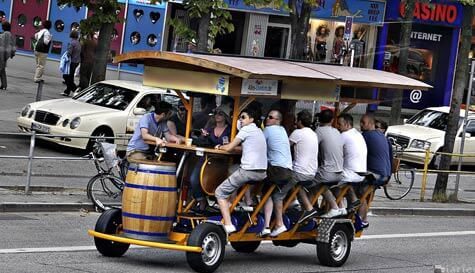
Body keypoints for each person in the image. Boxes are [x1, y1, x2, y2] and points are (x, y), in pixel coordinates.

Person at [215, 108, 267, 234]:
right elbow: (243, 149)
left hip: (248, 171)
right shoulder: (259, 131)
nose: (240, 120)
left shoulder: (246, 130)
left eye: (243, 117)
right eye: (239, 118)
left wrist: (220, 147)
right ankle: (243, 201)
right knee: (232, 169)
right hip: (262, 172)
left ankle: (228, 224)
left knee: (219, 192)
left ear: (251, 119)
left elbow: (229, 148)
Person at [272, 110, 319, 231]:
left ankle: (279, 224)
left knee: (277, 195)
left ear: (299, 121)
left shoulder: (297, 133)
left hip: (299, 172)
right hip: (311, 173)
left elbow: (284, 147)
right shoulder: (313, 133)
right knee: (297, 186)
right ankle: (307, 208)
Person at [300, 109, 345, 221]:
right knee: (315, 184)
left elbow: (312, 147)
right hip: (339, 172)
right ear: (332, 120)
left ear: (319, 119)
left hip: (327, 173)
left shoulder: (319, 131)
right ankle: (341, 207)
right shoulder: (336, 131)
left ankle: (314, 209)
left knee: (307, 183)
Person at [189, 106, 231, 212]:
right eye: (215, 113)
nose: (217, 115)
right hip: (206, 158)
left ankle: (219, 205)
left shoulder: (230, 130)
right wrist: (204, 136)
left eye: (220, 113)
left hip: (221, 161)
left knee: (216, 184)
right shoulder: (210, 128)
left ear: (226, 116)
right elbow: (201, 141)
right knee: (194, 179)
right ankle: (201, 201)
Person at [260, 110, 293, 237]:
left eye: (270, 117)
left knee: (253, 177)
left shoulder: (268, 130)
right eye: (267, 116)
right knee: (269, 192)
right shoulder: (283, 130)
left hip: (277, 170)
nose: (267, 119)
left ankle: (247, 202)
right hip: (287, 171)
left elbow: (258, 144)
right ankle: (268, 226)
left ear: (277, 120)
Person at [359, 114, 392, 227]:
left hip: (376, 174)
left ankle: (361, 219)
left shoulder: (366, 136)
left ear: (370, 123)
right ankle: (362, 218)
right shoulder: (381, 136)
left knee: (355, 189)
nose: (361, 125)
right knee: (364, 190)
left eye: (363, 122)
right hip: (385, 174)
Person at [337, 113, 367, 209]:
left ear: (346, 124)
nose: (338, 127)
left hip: (350, 175)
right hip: (361, 174)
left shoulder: (344, 135)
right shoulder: (358, 134)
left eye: (339, 124)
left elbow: (334, 152)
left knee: (328, 183)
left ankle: (339, 209)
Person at [61, 30, 81, 96]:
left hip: (71, 62)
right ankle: (67, 91)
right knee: (70, 77)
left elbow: (69, 53)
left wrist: (64, 58)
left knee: (66, 76)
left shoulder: (72, 43)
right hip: (76, 62)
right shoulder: (78, 43)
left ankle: (75, 90)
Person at [0, 21, 15, 90]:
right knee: (2, 69)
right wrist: (12, 54)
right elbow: (13, 45)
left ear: (4, 27)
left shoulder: (4, 35)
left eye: (2, 26)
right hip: (6, 54)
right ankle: (4, 85)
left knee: (1, 69)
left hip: (2, 54)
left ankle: (4, 85)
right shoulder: (11, 35)